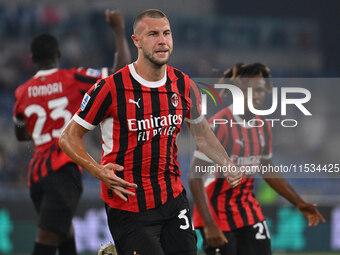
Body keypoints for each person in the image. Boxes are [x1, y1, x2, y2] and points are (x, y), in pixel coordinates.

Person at [59, 9, 242, 255]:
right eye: (153, 34)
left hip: (173, 199)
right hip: (130, 206)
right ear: (136, 41)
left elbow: (201, 133)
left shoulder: (183, 84)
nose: (162, 40)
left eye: (166, 33)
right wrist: (98, 170)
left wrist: (226, 163)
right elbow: (68, 137)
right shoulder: (111, 88)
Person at [13, 10, 131, 255]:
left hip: (36, 175)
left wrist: (39, 128)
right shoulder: (72, 78)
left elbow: (20, 133)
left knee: (64, 230)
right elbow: (120, 73)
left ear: (32, 58)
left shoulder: (22, 92)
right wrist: (119, 31)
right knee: (46, 239)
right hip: (63, 170)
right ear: (58, 54)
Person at [189, 63, 326, 255]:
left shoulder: (263, 125)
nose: (256, 95)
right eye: (248, 90)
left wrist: (298, 202)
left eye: (260, 90)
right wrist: (209, 224)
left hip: (249, 212)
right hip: (218, 217)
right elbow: (195, 178)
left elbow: (267, 169)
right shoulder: (218, 126)